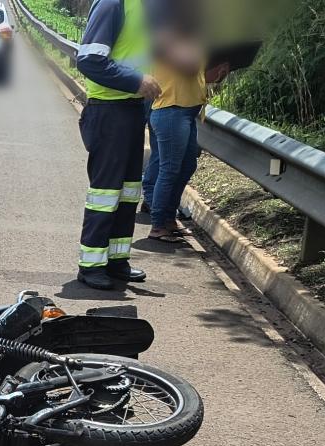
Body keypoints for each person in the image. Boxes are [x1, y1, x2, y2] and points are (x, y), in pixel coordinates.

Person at [75, 0, 161, 290]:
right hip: (109, 111)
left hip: (131, 110)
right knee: (105, 192)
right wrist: (134, 80)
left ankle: (116, 260)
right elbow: (88, 59)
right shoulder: (114, 3)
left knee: (127, 192)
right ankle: (91, 266)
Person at [139, 15, 211, 243]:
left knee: (187, 164)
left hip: (187, 110)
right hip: (171, 109)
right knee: (169, 169)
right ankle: (159, 225)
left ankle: (169, 219)